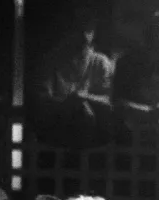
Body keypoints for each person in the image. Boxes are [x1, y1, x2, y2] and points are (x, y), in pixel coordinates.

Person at [37, 15, 115, 145]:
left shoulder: (101, 62)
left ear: (94, 33)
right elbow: (42, 99)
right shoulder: (52, 61)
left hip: (94, 136)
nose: (84, 36)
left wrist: (82, 97)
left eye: (88, 30)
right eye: (79, 29)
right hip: (57, 132)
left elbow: (108, 100)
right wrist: (69, 105)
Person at [113, 10, 159, 118]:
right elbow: (118, 102)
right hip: (136, 121)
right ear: (150, 31)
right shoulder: (128, 62)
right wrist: (150, 112)